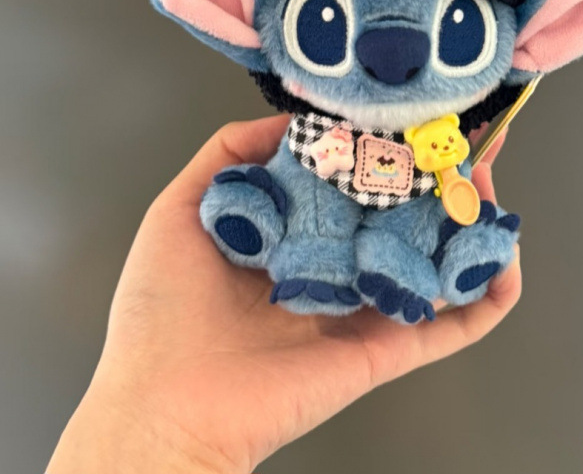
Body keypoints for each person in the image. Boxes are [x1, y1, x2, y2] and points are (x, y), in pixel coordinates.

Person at [47, 115, 521, 474]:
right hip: (324, 150)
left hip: (428, 163)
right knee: (308, 187)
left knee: (433, 210)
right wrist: (166, 429)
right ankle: (288, 232)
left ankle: (421, 256)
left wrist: (165, 431)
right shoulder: (314, 125)